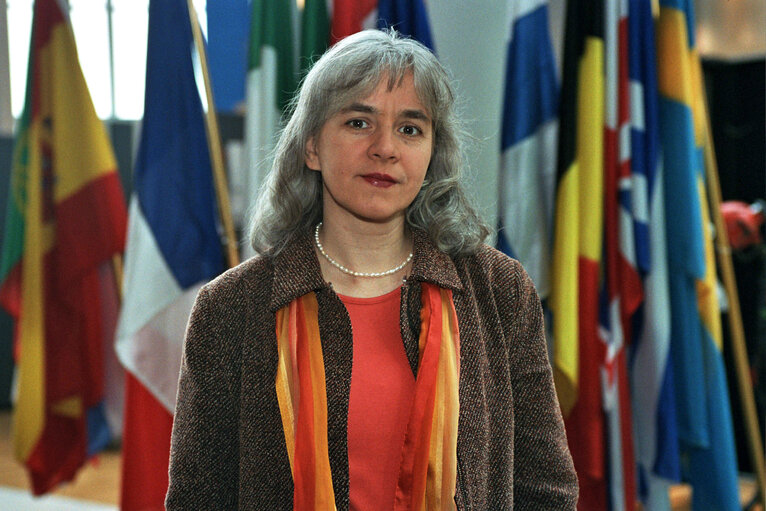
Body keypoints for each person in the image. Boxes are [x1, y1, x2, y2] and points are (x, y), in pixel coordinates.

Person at [166, 29, 578, 510]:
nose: (386, 148)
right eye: (359, 122)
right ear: (312, 146)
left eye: (410, 128)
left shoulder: (498, 290)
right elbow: (198, 500)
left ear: (431, 154)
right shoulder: (232, 306)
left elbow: (546, 490)